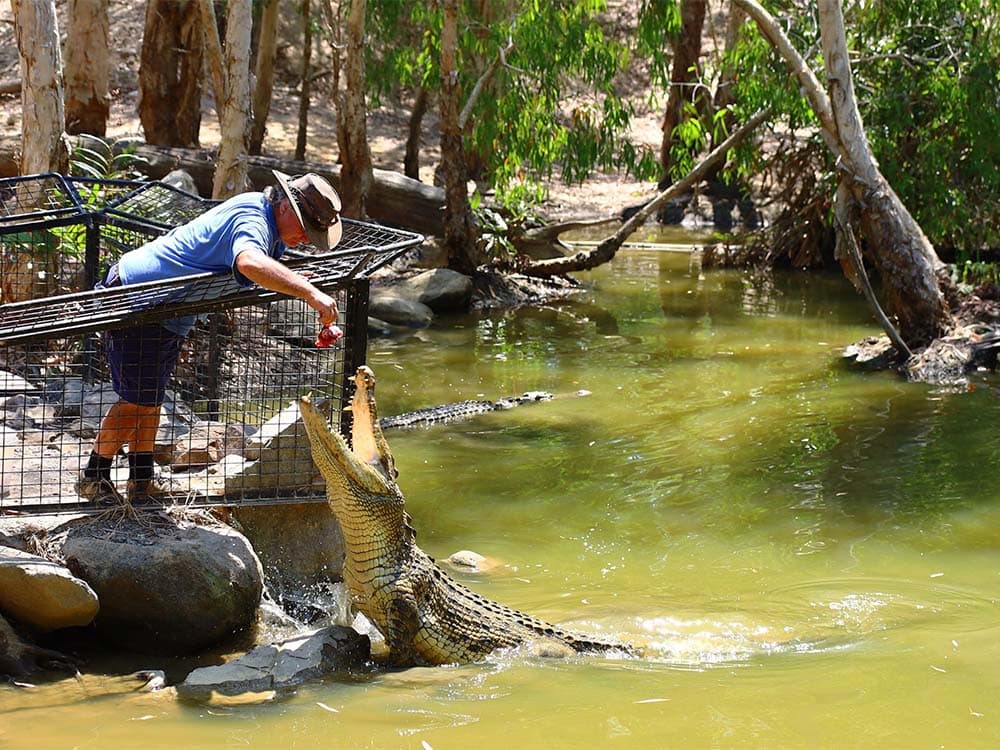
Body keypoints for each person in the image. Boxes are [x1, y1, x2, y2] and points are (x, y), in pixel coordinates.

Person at [75, 170, 343, 505]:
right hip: (140, 299)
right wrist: (310, 293)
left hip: (168, 312)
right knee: (135, 401)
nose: (307, 239)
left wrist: (293, 279)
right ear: (288, 208)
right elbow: (249, 262)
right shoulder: (253, 218)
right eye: (307, 228)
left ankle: (141, 479)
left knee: (150, 399)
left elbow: (252, 265)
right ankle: (93, 477)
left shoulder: (270, 226)